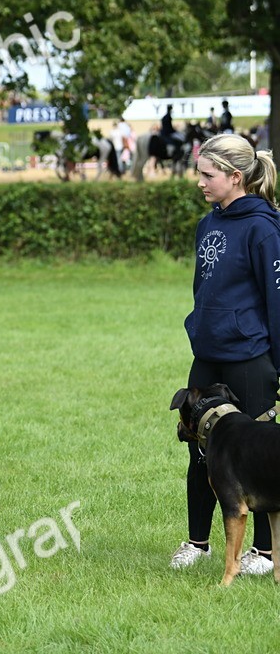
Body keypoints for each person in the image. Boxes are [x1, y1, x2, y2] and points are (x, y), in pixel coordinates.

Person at [171, 133, 280, 574]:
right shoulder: (207, 224)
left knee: (262, 454)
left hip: (251, 359)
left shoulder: (264, 228)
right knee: (202, 454)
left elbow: (276, 301)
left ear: (235, 177)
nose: (200, 181)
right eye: (200, 172)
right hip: (209, 356)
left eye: (207, 174)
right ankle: (198, 543)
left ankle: (265, 552)